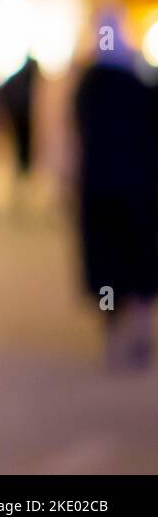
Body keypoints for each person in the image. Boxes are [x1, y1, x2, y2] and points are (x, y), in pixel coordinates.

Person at [74, 23, 158, 370]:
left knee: (107, 269)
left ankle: (112, 341)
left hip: (100, 192)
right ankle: (139, 331)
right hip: (137, 192)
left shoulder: (88, 88)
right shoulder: (140, 86)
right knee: (138, 264)